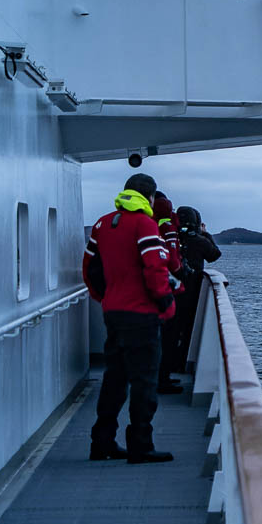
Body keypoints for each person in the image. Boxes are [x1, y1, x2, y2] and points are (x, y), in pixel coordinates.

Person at [82, 173, 178, 464]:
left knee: (114, 378)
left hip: (113, 312)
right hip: (142, 314)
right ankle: (140, 445)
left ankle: (102, 442)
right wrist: (166, 302)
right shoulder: (144, 224)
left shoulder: (102, 223)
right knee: (144, 382)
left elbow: (90, 268)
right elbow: (155, 268)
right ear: (149, 197)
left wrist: (106, 298)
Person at [174, 206, 221, 371]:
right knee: (187, 328)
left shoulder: (171, 239)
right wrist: (205, 234)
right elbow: (214, 255)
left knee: (169, 330)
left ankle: (165, 367)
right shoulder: (199, 241)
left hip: (169, 291)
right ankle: (180, 364)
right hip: (191, 291)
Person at [153, 191, 188, 395]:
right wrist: (182, 272)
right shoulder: (168, 228)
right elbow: (173, 259)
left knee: (158, 338)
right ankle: (162, 379)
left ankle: (160, 377)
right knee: (168, 337)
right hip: (170, 290)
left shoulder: (149, 224)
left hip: (154, 290)